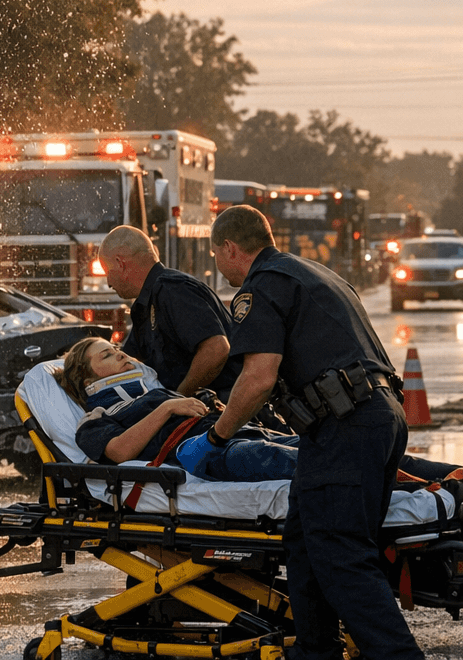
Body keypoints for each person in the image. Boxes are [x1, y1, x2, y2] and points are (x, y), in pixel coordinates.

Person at [198, 204, 419, 660]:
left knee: (341, 556)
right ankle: (316, 650)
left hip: (346, 425)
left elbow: (258, 378)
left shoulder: (262, 287)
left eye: (216, 255)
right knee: (304, 545)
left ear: (229, 247)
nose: (217, 266)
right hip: (371, 419)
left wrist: (216, 437)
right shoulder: (314, 273)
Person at [58, 337, 298, 481]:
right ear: (88, 382)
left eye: (116, 348)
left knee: (319, 448)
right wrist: (167, 408)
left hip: (243, 433)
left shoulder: (156, 392)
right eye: (107, 355)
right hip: (203, 452)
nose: (119, 353)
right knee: (285, 458)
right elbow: (120, 452)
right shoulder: (95, 418)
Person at [100, 225, 237, 396]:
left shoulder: (173, 290)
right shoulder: (145, 305)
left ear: (120, 264)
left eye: (107, 271)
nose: (108, 283)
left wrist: (178, 399)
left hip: (222, 408)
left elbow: (216, 349)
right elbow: (130, 361)